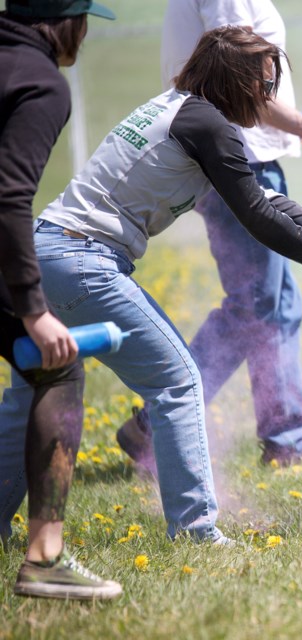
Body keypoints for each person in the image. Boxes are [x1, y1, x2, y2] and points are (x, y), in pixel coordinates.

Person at [0, 25, 302, 544]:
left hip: (43, 254)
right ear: (235, 82)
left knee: (31, 395)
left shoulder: (181, 109)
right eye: (263, 85)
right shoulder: (208, 125)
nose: (267, 98)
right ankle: (196, 532)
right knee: (177, 383)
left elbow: (257, 196)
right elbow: (256, 212)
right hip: (84, 261)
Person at [113, 0, 302, 473]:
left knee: (274, 305)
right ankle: (156, 425)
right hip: (235, 159)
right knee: (253, 305)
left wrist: (298, 123)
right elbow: (237, 76)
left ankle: (286, 439)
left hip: (246, 153)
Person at [0, 0, 121, 599]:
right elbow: (8, 197)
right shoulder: (40, 82)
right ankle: (45, 557)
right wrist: (32, 309)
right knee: (58, 365)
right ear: (63, 21)